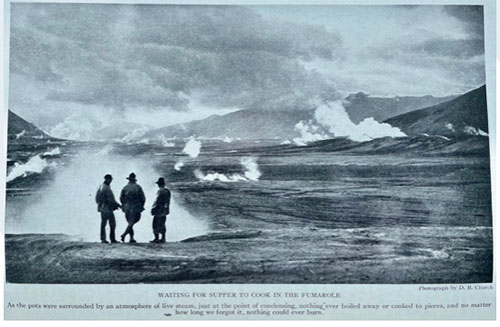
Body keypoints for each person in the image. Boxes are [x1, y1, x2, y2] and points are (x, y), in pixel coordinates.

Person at [119, 172, 146, 243]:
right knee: (132, 222)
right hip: (136, 207)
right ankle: (124, 234)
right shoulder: (138, 187)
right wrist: (142, 206)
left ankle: (131, 237)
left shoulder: (125, 188)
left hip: (127, 207)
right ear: (134, 179)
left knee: (130, 222)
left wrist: (123, 205)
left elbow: (121, 198)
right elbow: (143, 198)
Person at [95, 174, 121, 244]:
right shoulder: (106, 188)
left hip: (102, 208)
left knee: (103, 223)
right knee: (112, 223)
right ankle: (112, 239)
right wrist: (118, 205)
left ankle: (103, 239)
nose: (111, 181)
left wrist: (100, 205)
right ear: (107, 179)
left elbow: (96, 198)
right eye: (110, 180)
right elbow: (111, 200)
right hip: (108, 208)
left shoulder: (100, 187)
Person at [150, 177, 171, 243]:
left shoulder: (160, 191)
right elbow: (168, 201)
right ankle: (163, 238)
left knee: (155, 224)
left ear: (159, 184)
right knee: (162, 223)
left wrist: (153, 208)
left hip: (158, 209)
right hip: (164, 210)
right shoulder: (167, 191)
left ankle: (156, 238)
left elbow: (156, 200)